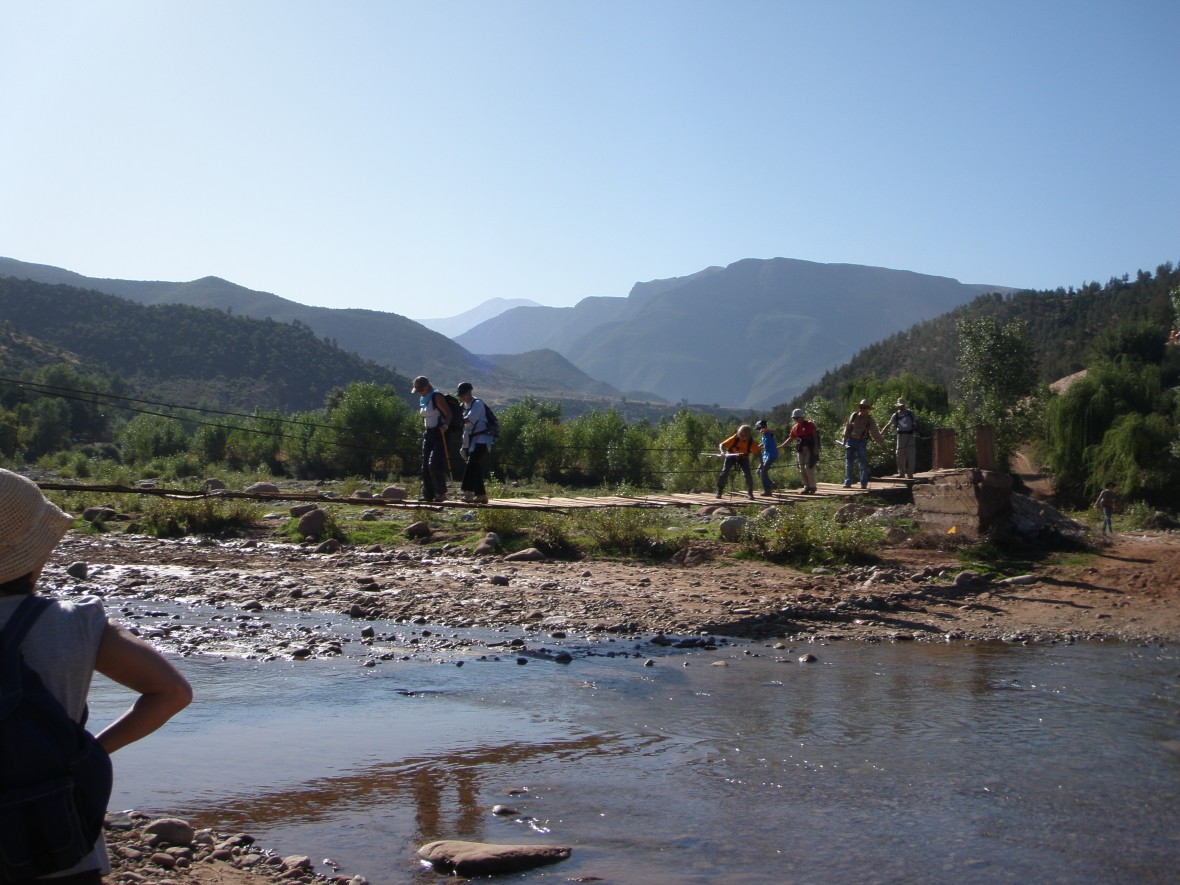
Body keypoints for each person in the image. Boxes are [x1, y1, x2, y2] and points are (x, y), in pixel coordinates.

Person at [0, 469, 193, 883]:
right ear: (36, 551)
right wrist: (90, 753)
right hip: (55, 835)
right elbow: (173, 692)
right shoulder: (76, 623)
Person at [411, 375, 452, 502]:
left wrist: (445, 425)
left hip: (439, 434)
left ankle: (441, 493)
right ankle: (428, 495)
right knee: (424, 466)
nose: (420, 393)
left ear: (428, 387)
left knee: (433, 464)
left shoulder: (436, 396)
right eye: (418, 391)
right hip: (428, 433)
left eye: (421, 390)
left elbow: (448, 414)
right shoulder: (423, 399)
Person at [456, 381, 492, 505]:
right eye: (460, 395)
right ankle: (481, 495)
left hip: (481, 439)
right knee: (474, 465)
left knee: (471, 465)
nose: (462, 397)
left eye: (463, 394)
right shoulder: (464, 406)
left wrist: (454, 418)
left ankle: (467, 492)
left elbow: (468, 420)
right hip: (471, 441)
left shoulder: (477, 405)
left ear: (470, 392)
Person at [842, 399, 884, 489]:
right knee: (848, 463)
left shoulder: (870, 420)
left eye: (864, 407)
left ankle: (863, 484)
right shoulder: (853, 415)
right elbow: (847, 428)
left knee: (863, 464)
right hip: (851, 440)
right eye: (861, 407)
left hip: (861, 442)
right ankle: (848, 482)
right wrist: (844, 440)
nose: (862, 409)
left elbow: (875, 434)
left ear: (868, 409)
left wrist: (882, 445)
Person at [716, 424, 760, 500]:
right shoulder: (735, 438)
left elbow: (758, 453)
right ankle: (719, 491)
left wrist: (762, 464)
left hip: (743, 458)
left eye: (743, 436)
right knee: (725, 471)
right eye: (740, 435)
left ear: (748, 436)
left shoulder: (751, 443)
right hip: (731, 456)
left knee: (748, 474)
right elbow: (722, 444)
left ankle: (750, 493)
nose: (741, 437)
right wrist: (722, 451)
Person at [784, 408, 819, 494]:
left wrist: (816, 449)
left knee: (808, 467)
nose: (796, 419)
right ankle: (806, 487)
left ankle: (812, 487)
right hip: (800, 449)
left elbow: (815, 437)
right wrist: (782, 445)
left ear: (802, 417)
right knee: (801, 468)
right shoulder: (795, 427)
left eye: (797, 417)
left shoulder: (810, 424)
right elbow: (791, 438)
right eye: (794, 418)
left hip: (810, 448)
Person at [884, 398, 918, 479]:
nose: (901, 407)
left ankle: (910, 474)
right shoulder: (895, 415)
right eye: (899, 406)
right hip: (901, 436)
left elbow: (916, 421)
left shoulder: (910, 413)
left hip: (910, 436)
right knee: (899, 455)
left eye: (902, 405)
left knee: (911, 455)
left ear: (905, 405)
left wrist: (917, 431)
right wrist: (881, 433)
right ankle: (901, 473)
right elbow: (889, 424)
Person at [754, 419, 778, 496]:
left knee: (763, 471)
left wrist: (766, 429)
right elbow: (764, 443)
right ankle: (771, 484)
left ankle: (767, 491)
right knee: (758, 471)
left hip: (772, 455)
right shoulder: (764, 436)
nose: (759, 431)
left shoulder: (770, 433)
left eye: (759, 429)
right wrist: (757, 447)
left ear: (763, 427)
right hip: (765, 455)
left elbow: (775, 432)